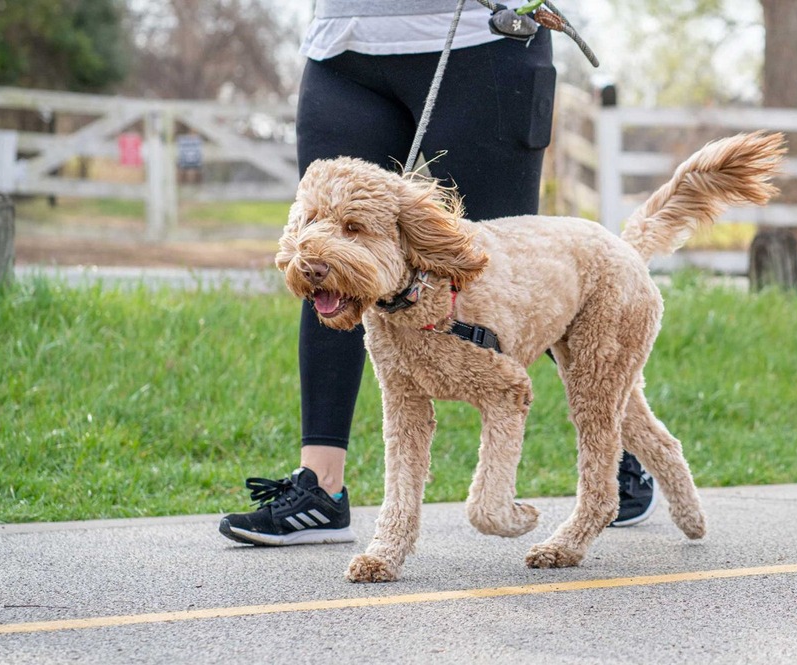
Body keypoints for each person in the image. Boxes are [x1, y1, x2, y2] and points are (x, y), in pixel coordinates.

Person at [219, 0, 656, 547]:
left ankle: (618, 451)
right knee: (329, 268)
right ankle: (321, 489)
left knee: (509, 280)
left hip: (482, 37)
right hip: (343, 43)